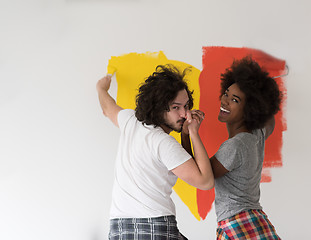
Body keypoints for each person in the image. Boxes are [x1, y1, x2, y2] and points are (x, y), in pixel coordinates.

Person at [96, 64, 214, 240]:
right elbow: (205, 181)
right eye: (176, 107)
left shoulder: (130, 121)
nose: (184, 113)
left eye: (186, 105)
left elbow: (107, 108)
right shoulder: (163, 143)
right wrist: (194, 133)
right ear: (158, 107)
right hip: (155, 226)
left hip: (119, 228)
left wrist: (101, 88)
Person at [210, 57, 282, 239]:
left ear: (250, 109)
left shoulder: (234, 146)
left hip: (237, 223)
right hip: (255, 219)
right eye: (226, 93)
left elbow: (201, 174)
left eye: (235, 100)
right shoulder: (256, 135)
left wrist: (189, 133)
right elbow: (270, 119)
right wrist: (262, 91)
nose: (224, 101)